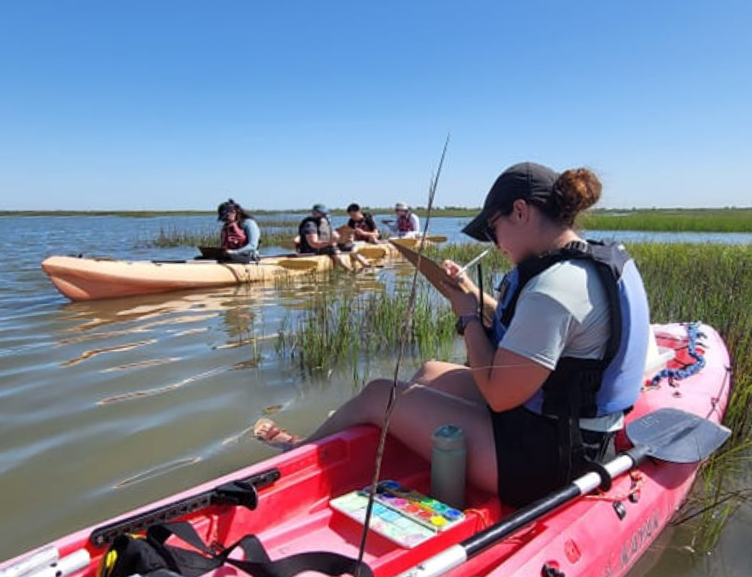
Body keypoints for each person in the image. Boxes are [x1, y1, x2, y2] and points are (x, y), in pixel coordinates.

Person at [254, 162, 651, 508]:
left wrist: (467, 318)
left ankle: (297, 453)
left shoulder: (554, 289)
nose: (495, 245)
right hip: (568, 429)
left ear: (520, 212)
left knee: (379, 393)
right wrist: (471, 294)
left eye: (494, 230)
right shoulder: (589, 263)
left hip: (549, 463)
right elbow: (537, 332)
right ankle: (390, 438)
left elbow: (499, 393)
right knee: (428, 371)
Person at [296, 203, 369, 270]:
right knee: (333, 248)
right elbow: (313, 244)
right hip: (310, 250)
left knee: (349, 246)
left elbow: (335, 234)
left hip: (325, 246)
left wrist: (344, 238)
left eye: (324, 214)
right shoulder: (310, 225)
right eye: (321, 214)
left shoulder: (324, 222)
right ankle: (348, 269)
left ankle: (366, 265)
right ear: (314, 213)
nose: (324, 216)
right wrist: (330, 242)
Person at [216, 199, 260, 263]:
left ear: (233, 212)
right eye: (223, 218)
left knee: (229, 258)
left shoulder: (249, 223)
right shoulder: (226, 226)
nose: (224, 220)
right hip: (230, 256)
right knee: (200, 257)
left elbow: (253, 246)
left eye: (226, 217)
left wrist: (235, 252)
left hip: (248, 256)